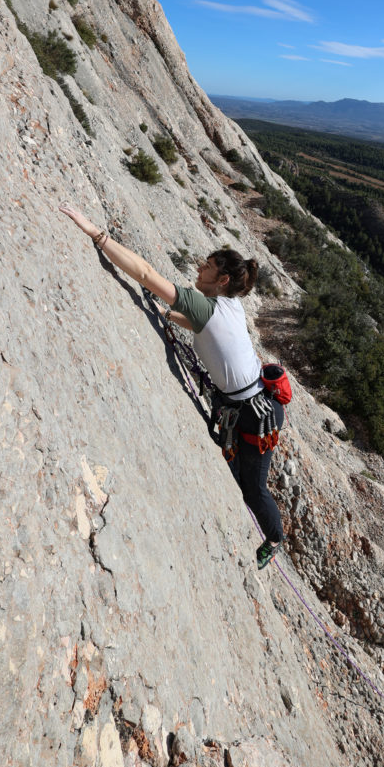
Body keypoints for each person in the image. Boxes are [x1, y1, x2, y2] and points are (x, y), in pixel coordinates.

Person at [59, 203, 284, 570]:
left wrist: (96, 234)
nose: (199, 269)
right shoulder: (228, 305)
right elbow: (200, 326)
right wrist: (166, 313)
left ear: (222, 279)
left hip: (254, 416)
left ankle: (274, 538)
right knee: (242, 480)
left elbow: (146, 273)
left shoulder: (205, 304)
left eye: (207, 267)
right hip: (252, 405)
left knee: (252, 488)